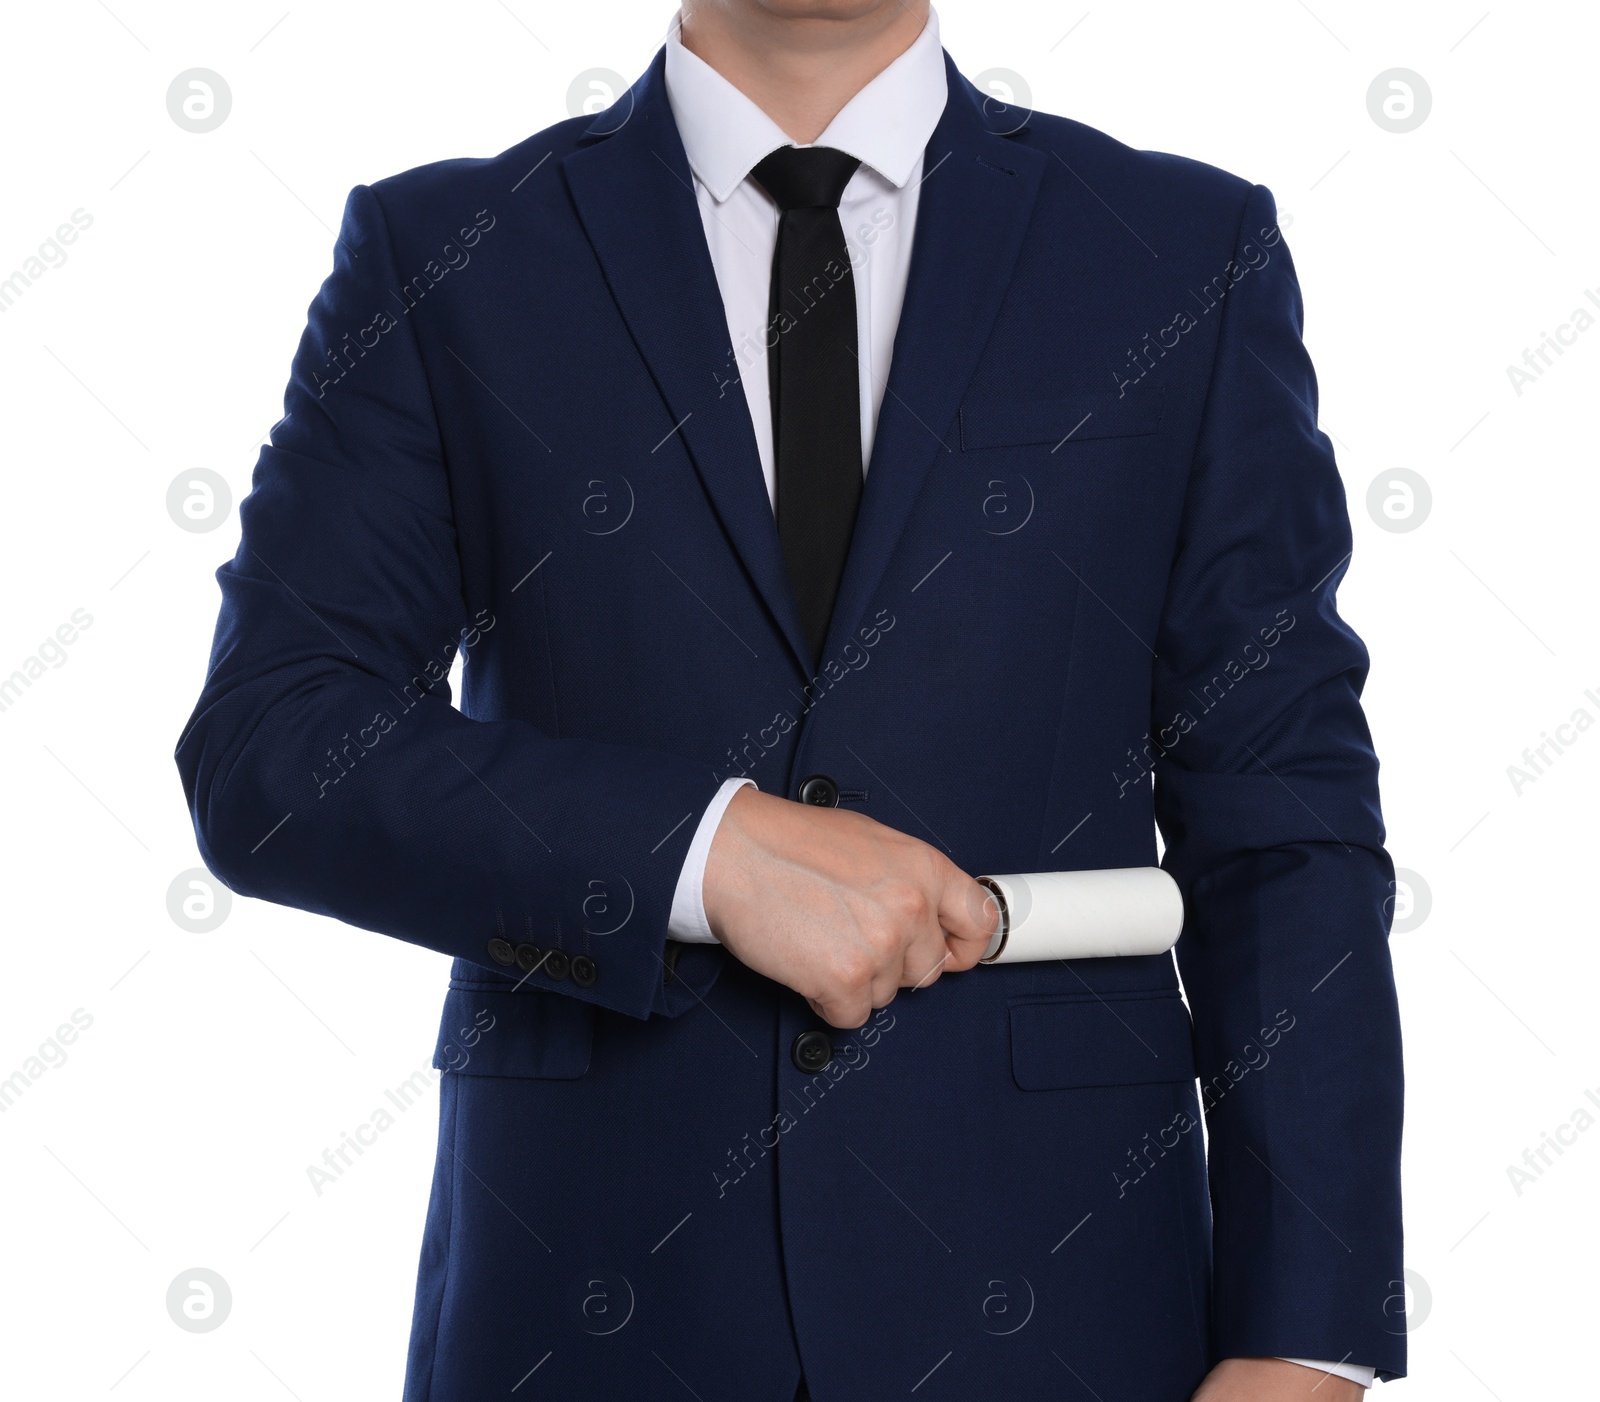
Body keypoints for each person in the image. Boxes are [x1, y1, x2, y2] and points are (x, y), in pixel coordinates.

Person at [176, 2, 1405, 1397]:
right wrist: (700, 853)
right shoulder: (449, 256)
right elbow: (274, 742)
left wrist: (1304, 1340)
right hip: (590, 1303)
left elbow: (1284, 818)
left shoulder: (1177, 251)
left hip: (1068, 1309)